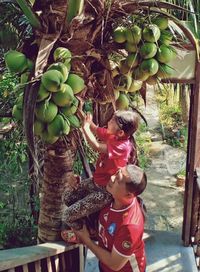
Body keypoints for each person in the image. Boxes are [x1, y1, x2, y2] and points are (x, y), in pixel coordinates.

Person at [61, 110, 140, 243]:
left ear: (120, 132)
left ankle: (82, 236)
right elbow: (95, 128)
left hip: (105, 191)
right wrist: (81, 112)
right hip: (96, 181)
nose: (109, 121)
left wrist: (84, 128)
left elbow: (96, 146)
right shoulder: (113, 135)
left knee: (67, 215)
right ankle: (90, 227)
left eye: (112, 121)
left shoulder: (123, 146)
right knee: (67, 197)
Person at [75, 164, 147, 272]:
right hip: (104, 266)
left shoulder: (130, 226)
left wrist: (87, 241)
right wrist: (77, 184)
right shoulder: (110, 196)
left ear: (129, 195)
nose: (112, 178)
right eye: (116, 173)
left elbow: (115, 264)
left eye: (118, 179)